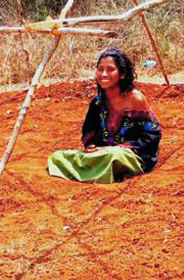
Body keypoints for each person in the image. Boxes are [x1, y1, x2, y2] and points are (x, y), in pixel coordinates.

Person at [47, 47, 162, 184]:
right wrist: (91, 144)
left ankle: (91, 172)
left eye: (110, 69)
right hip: (102, 153)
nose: (104, 74)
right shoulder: (97, 102)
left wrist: (120, 147)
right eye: (100, 69)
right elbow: (89, 129)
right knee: (57, 157)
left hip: (131, 155)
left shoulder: (135, 99)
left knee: (114, 156)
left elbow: (151, 134)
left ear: (122, 74)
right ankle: (98, 171)